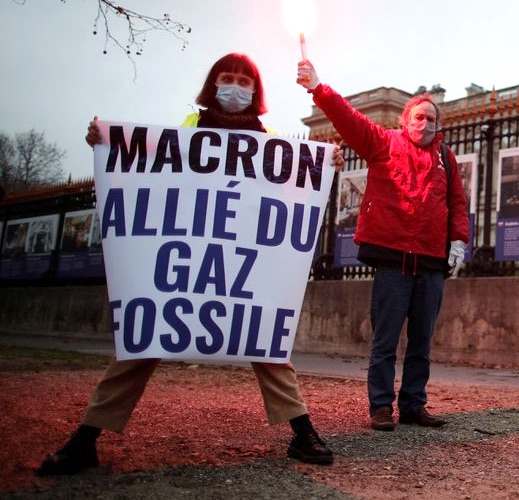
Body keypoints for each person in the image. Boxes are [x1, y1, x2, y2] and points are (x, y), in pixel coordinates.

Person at [37, 53, 343, 476]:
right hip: (185, 258)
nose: (235, 86)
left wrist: (325, 166)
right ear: (211, 84)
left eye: (244, 80)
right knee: (143, 340)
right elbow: (148, 170)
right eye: (227, 77)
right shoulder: (189, 129)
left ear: (256, 91)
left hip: (240, 259)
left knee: (265, 340)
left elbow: (289, 191)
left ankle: (302, 431)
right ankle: (86, 438)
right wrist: (105, 142)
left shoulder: (269, 137)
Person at [296, 60, 469, 431]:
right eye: (418, 117)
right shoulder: (383, 142)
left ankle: (413, 404)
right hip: (393, 260)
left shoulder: (446, 158)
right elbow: (347, 118)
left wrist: (458, 242)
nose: (424, 124)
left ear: (439, 124)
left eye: (431, 119)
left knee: (422, 342)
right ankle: (380, 407)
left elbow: (457, 203)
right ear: (405, 121)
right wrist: (318, 87)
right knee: (385, 341)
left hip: (431, 262)